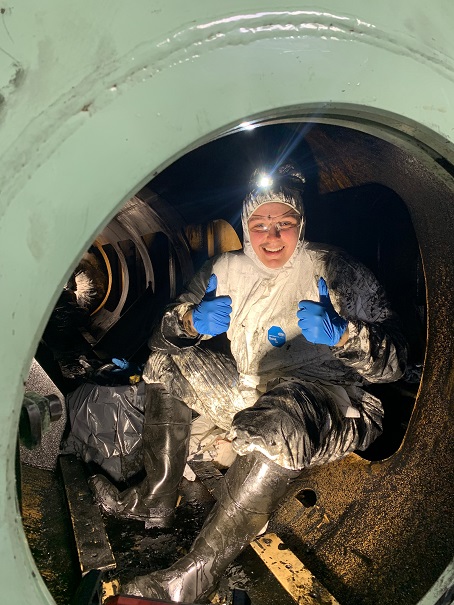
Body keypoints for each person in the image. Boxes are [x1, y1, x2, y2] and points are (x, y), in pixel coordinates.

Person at [89, 162, 407, 603]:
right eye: (260, 225)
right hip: (252, 391)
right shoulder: (226, 269)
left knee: (277, 420)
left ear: (301, 225)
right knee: (165, 363)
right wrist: (189, 323)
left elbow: (395, 364)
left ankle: (196, 576)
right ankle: (155, 497)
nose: (271, 237)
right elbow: (159, 336)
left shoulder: (335, 270)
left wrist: (346, 335)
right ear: (245, 226)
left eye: (284, 224)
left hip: (334, 402)